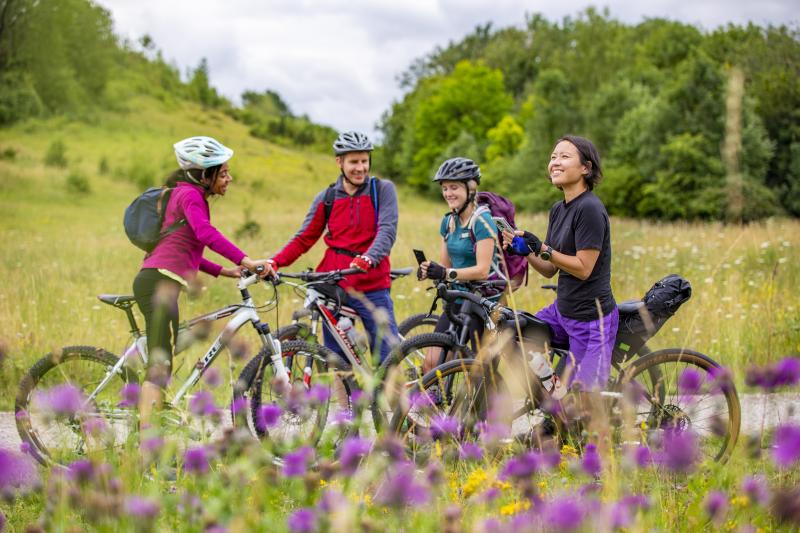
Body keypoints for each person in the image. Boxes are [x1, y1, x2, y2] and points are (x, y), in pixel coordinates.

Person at [133, 136, 273, 429]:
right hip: (159, 283)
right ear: (203, 175)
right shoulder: (190, 196)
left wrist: (226, 271)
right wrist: (246, 261)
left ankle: (155, 428)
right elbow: (206, 234)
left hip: (160, 280)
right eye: (223, 173)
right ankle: (146, 453)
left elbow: (187, 248)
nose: (229, 178)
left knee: (165, 359)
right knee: (159, 368)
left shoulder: (185, 196)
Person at [504, 135, 618, 429]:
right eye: (553, 156)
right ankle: (554, 393)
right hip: (562, 312)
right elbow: (549, 269)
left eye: (564, 156)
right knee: (513, 333)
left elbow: (583, 268)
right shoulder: (559, 209)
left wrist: (542, 248)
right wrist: (525, 250)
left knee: (580, 413)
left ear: (585, 168)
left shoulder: (589, 209)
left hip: (591, 322)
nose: (555, 162)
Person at [268, 131, 400, 363]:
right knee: (336, 358)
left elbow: (387, 231)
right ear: (339, 162)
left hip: (372, 284)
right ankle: (344, 401)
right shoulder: (327, 197)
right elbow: (304, 238)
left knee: (386, 357)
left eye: (364, 161)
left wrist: (368, 258)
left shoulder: (382, 190)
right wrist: (275, 261)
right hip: (335, 286)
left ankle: (388, 399)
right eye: (353, 162)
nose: (360, 168)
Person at [418, 157, 498, 372]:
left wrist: (446, 272)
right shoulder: (449, 221)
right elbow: (446, 266)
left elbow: (482, 270)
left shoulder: (482, 222)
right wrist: (431, 270)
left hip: (481, 302)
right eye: (444, 188)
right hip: (457, 297)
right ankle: (435, 403)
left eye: (454, 187)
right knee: (431, 363)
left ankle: (490, 405)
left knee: (478, 372)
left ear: (471, 188)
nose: (448, 193)